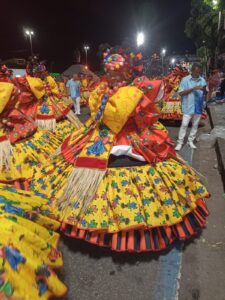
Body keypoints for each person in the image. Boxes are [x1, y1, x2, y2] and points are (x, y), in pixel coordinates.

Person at [30, 53, 209, 253]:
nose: (113, 75)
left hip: (129, 136)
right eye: (110, 71)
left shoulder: (131, 89)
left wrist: (128, 106)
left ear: (125, 71)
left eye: (116, 72)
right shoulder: (105, 90)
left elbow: (147, 111)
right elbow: (102, 112)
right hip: (107, 134)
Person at [175, 63, 207, 151]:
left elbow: (205, 92)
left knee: (195, 125)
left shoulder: (202, 80)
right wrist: (193, 89)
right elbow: (180, 93)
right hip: (188, 106)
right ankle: (180, 142)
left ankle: (190, 141)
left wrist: (205, 101)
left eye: (199, 73)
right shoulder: (185, 80)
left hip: (198, 106)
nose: (197, 74)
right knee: (184, 124)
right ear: (192, 71)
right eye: (196, 72)